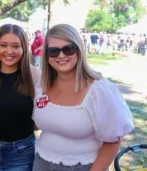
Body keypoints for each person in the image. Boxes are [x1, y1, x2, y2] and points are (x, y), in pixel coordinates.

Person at [32, 24, 135, 171]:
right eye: (53, 51)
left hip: (83, 167)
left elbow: (113, 142)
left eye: (68, 49)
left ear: (79, 50)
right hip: (41, 163)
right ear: (47, 57)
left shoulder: (99, 90)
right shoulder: (41, 86)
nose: (61, 55)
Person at [0, 24, 41, 171]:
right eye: (3, 45)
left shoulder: (35, 75)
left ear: (23, 48)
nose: (9, 51)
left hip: (22, 151)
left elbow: (42, 117)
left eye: (16, 46)